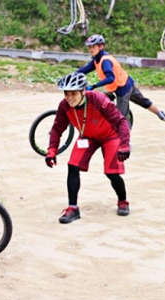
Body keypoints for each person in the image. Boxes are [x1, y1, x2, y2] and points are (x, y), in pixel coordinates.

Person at [46, 72, 131, 224]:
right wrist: (52, 150)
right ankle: (73, 208)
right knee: (73, 166)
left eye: (73, 93)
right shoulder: (64, 105)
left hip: (110, 136)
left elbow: (121, 121)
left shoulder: (98, 100)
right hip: (87, 137)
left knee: (111, 173)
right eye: (67, 94)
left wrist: (124, 144)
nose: (69, 98)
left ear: (83, 90)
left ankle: (122, 200)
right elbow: (57, 128)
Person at [77, 34, 165, 125]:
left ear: (101, 46)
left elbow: (110, 78)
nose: (91, 49)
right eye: (90, 47)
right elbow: (84, 70)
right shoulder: (97, 59)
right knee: (143, 101)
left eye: (93, 47)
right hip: (127, 82)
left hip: (123, 89)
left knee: (120, 118)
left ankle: (125, 137)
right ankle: (159, 113)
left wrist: (94, 86)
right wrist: (70, 76)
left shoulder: (105, 61)